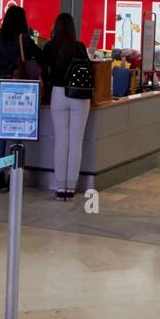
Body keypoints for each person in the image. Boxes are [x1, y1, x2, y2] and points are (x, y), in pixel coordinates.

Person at [0, 5, 42, 192]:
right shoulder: (25, 39)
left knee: (0, 133)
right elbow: (39, 56)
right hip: (20, 87)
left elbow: (1, 59)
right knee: (17, 133)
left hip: (2, 85)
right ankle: (14, 175)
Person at [42, 12, 92, 200]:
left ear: (56, 26)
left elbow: (43, 71)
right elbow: (89, 69)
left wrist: (51, 83)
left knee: (61, 141)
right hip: (78, 95)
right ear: (72, 28)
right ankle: (70, 188)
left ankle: (60, 186)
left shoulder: (49, 46)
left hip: (58, 94)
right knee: (75, 142)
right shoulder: (79, 47)